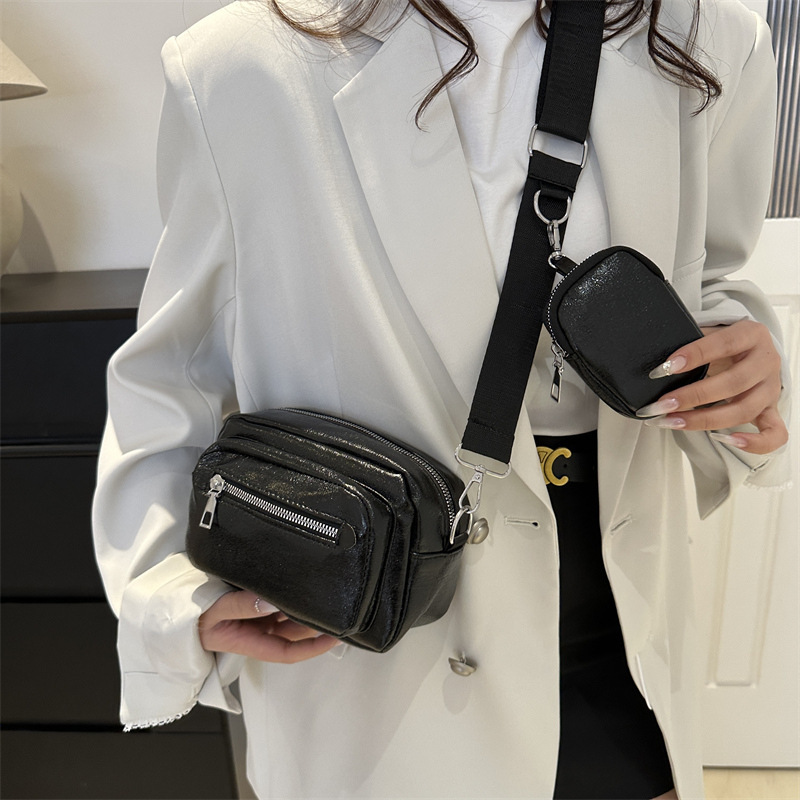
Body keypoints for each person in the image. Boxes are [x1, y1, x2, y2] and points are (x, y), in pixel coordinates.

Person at [92, 0, 790, 797]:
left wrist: (746, 368)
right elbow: (169, 374)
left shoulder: (704, 37)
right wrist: (173, 592)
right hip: (375, 641)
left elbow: (711, 282)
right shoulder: (242, 66)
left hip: (620, 625)